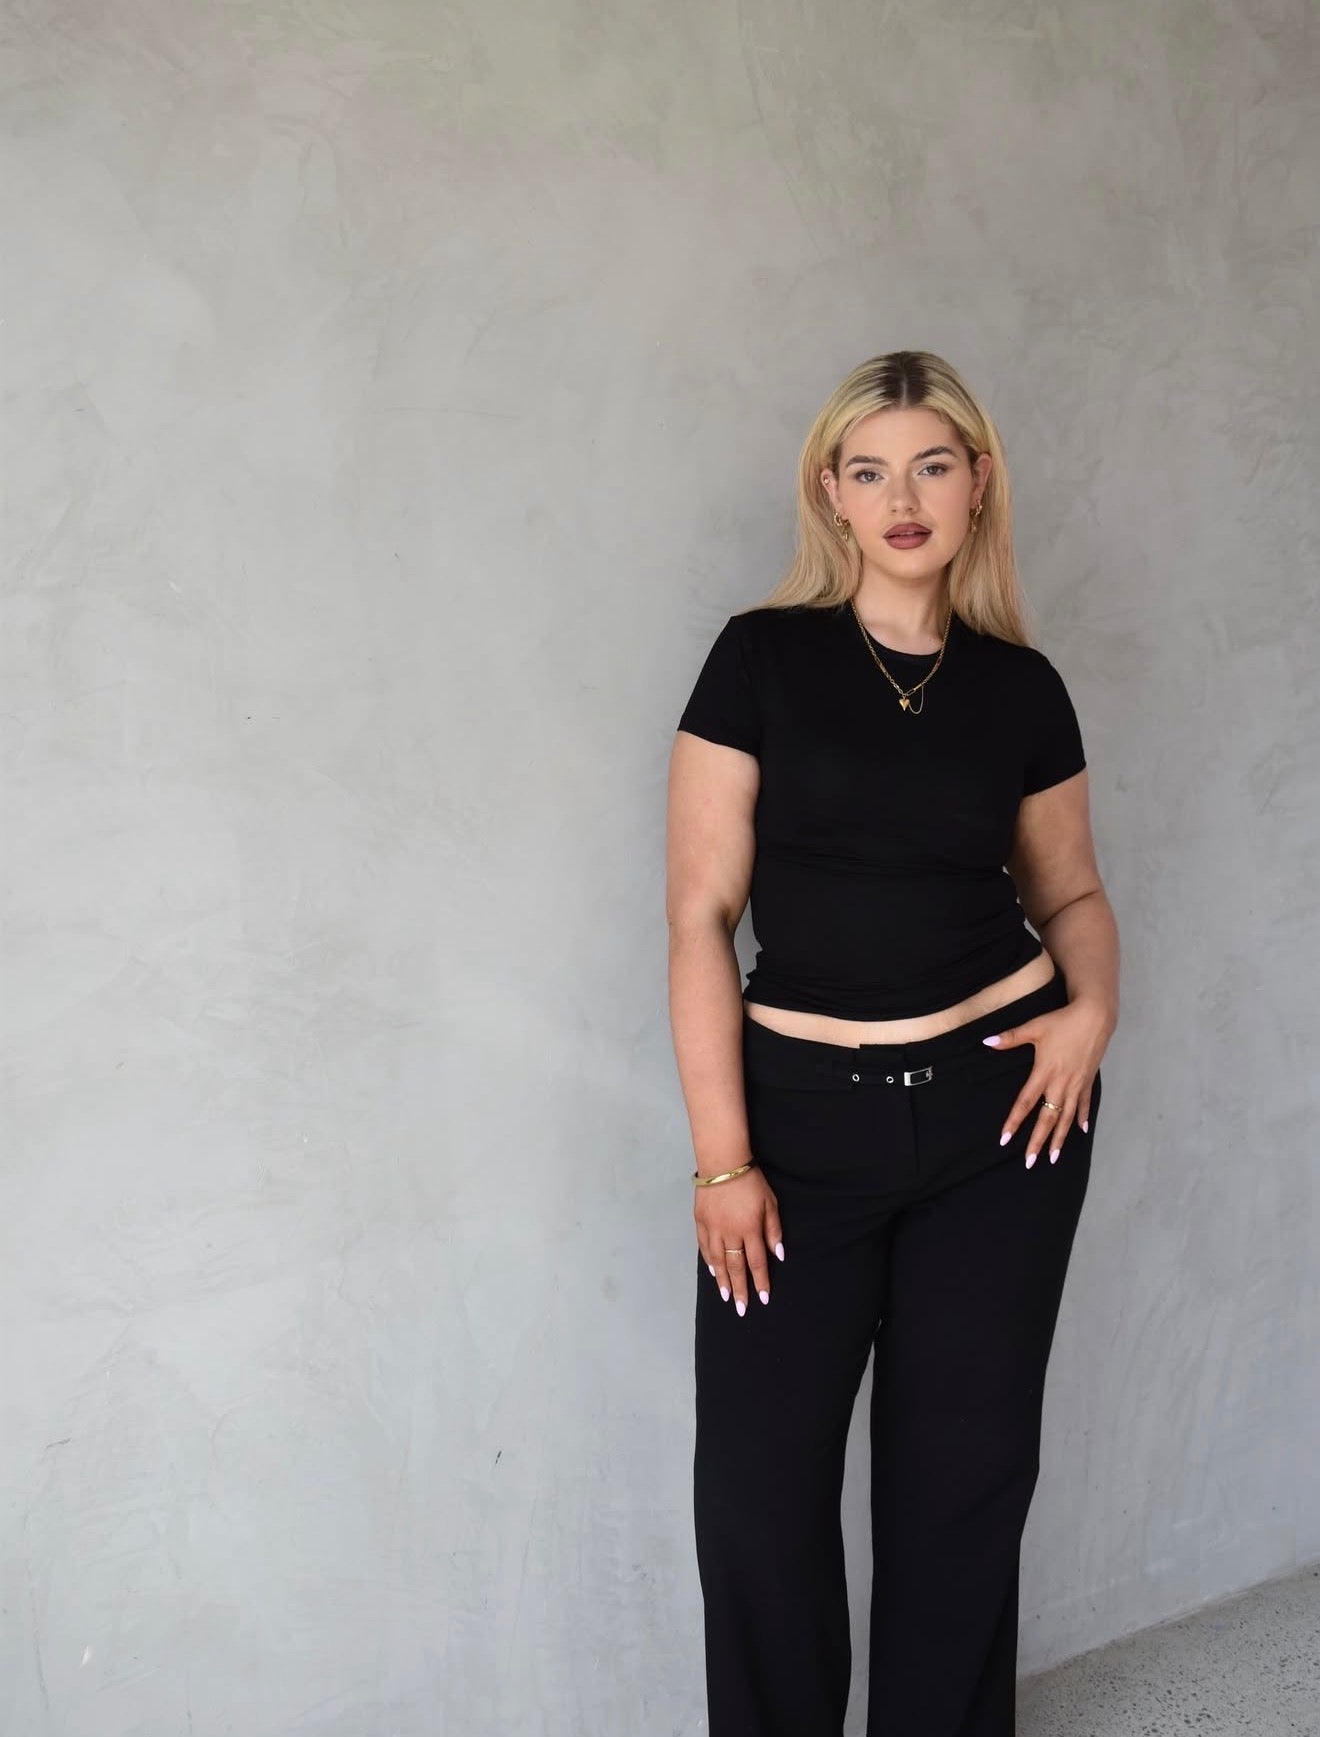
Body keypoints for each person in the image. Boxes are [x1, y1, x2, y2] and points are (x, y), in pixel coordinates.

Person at [665, 348, 1120, 1737]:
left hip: (1003, 1121)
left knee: (962, 1489)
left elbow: (1071, 894)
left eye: (931, 466)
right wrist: (723, 1161)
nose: (903, 498)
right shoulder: (761, 659)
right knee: (759, 1498)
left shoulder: (1021, 688)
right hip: (796, 1128)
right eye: (870, 471)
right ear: (832, 493)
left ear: (978, 484)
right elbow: (700, 917)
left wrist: (1093, 1012)